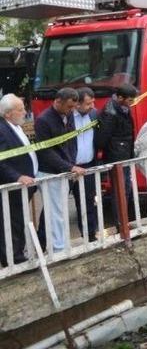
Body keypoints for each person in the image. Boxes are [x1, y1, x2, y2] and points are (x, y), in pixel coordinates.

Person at [36, 88, 87, 252]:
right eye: (69, 107)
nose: (72, 111)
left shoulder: (68, 114)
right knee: (56, 213)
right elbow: (45, 152)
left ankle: (58, 245)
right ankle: (59, 248)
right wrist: (70, 166)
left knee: (59, 211)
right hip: (50, 172)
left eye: (73, 107)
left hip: (65, 170)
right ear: (58, 101)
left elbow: (71, 142)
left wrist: (71, 163)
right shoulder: (43, 120)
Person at [0, 94, 37, 266]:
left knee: (19, 219)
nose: (25, 112)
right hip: (13, 185)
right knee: (11, 222)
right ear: (8, 113)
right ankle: (12, 259)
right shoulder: (2, 130)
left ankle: (18, 253)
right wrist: (17, 176)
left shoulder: (16, 126)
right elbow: (1, 161)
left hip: (25, 185)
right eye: (20, 109)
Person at [96, 83, 138, 224]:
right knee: (120, 191)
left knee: (125, 189)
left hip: (124, 153)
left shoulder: (122, 108)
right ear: (120, 98)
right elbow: (102, 138)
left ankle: (124, 221)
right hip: (116, 156)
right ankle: (121, 223)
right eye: (130, 100)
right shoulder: (111, 113)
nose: (132, 103)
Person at [72, 87, 98, 242]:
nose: (92, 107)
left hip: (87, 166)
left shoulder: (94, 115)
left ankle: (89, 236)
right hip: (69, 168)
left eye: (92, 103)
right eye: (88, 104)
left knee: (88, 202)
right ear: (77, 104)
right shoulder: (67, 118)